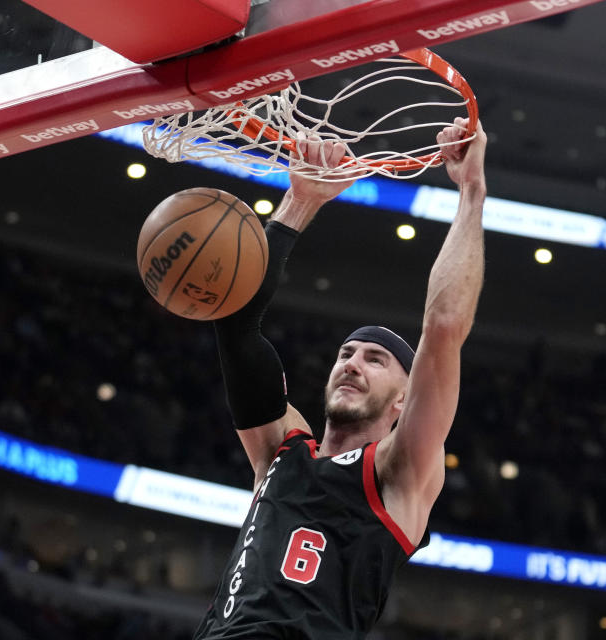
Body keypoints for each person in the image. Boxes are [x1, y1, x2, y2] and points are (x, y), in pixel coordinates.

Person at [194, 117, 488, 639]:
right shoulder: (281, 450)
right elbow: (236, 325)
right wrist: (301, 201)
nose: (352, 362)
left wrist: (470, 190)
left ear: (404, 400)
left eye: (376, 359)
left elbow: (443, 328)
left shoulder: (399, 471)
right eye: (346, 353)